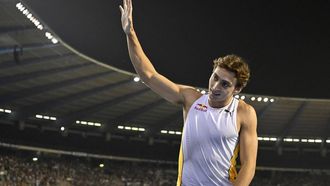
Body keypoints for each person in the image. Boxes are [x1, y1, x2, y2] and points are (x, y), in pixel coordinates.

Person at [119, 0, 258, 185]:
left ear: (237, 88)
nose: (216, 87)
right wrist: (131, 34)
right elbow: (149, 75)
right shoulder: (191, 99)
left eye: (225, 84)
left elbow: (248, 165)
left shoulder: (244, 112)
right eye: (215, 78)